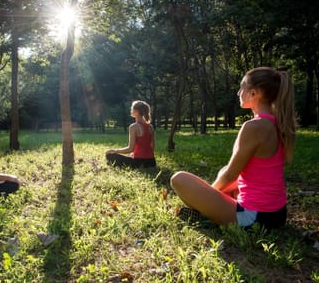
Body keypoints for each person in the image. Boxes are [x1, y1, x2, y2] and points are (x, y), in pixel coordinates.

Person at [171, 67, 296, 230]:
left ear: (254, 93)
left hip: (256, 219)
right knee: (224, 172)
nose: (238, 93)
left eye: (242, 87)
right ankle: (211, 214)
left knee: (179, 179)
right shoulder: (276, 123)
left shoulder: (254, 127)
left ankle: (205, 216)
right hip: (277, 215)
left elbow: (231, 174)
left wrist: (207, 195)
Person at [105, 100, 156, 168]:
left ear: (136, 111)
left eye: (132, 108)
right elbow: (152, 146)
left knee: (109, 155)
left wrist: (115, 151)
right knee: (132, 155)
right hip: (151, 162)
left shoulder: (133, 127)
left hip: (138, 162)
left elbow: (130, 149)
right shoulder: (151, 127)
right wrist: (136, 154)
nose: (131, 110)